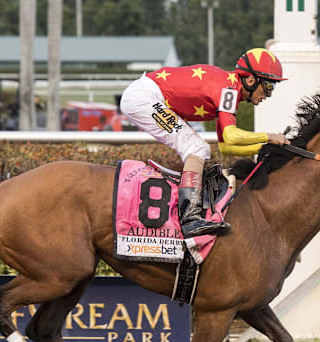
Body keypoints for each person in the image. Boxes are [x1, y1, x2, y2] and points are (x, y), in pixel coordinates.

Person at [120, 48, 289, 238]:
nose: (269, 95)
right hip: (143, 98)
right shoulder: (229, 90)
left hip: (145, 96)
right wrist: (268, 137)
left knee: (198, 147)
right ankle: (190, 217)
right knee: (196, 147)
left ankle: (189, 214)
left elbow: (226, 146)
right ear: (251, 80)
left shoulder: (229, 89)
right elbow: (232, 136)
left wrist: (265, 147)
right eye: (268, 87)